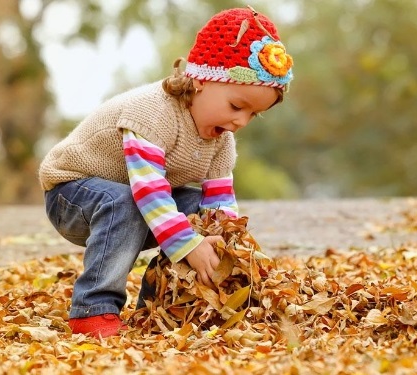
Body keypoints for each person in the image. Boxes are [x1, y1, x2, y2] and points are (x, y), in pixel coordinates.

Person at [38, 6, 294, 338]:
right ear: (202, 79)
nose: (240, 122)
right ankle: (93, 308)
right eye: (236, 106)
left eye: (252, 115)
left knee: (196, 208)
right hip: (72, 195)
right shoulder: (152, 113)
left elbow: (219, 206)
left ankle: (156, 304)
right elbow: (149, 191)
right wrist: (188, 245)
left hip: (132, 201)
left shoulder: (221, 141)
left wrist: (222, 244)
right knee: (127, 201)